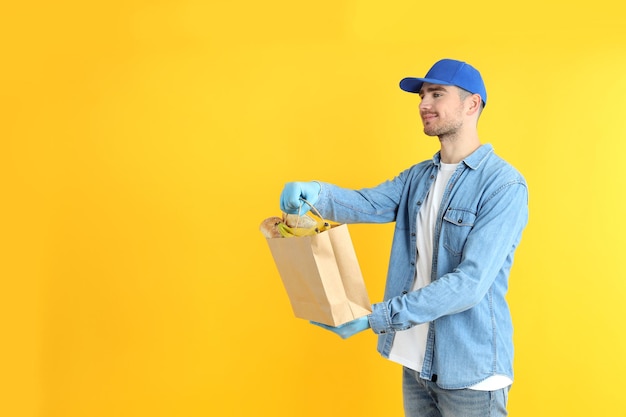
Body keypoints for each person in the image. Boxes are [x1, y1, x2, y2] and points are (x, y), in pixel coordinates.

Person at [279, 58, 529, 417]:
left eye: (436, 94)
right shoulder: (419, 177)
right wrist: (316, 193)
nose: (424, 104)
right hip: (415, 362)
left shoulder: (503, 185)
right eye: (422, 95)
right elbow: (368, 204)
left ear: (472, 104)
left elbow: (469, 284)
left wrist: (374, 318)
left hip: (470, 373)